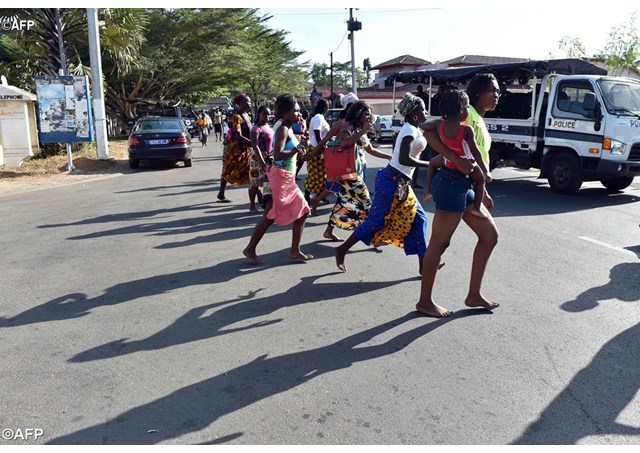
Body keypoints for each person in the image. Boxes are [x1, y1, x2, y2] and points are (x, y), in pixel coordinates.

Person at [416, 73, 501, 318]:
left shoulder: (477, 118)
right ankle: (425, 301)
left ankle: (474, 295)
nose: (496, 95)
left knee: (489, 236)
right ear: (475, 94)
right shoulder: (468, 115)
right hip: (454, 182)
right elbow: (429, 130)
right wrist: (454, 160)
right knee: (439, 243)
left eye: (498, 91)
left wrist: (481, 190)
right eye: (491, 90)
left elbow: (476, 156)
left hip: (467, 185)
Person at [333, 93, 431, 273]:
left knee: (420, 219)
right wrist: (431, 164)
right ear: (414, 114)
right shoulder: (409, 130)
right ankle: (341, 249)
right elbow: (404, 158)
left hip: (401, 182)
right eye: (423, 108)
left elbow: (391, 153)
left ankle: (424, 266)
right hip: (392, 180)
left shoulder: (414, 129)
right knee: (375, 221)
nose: (427, 111)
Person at [242, 94, 313, 265]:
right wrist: (297, 149)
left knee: (302, 211)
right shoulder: (282, 129)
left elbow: (296, 155)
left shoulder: (289, 129)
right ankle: (250, 248)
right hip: (279, 178)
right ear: (286, 113)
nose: (299, 114)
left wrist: (305, 150)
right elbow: (278, 154)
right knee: (269, 216)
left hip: (285, 177)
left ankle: (294, 250)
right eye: (295, 111)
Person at [322, 100, 391, 242]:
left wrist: (389, 156)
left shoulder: (360, 130)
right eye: (366, 114)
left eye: (370, 115)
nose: (368, 117)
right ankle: (376, 237)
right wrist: (362, 132)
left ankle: (328, 231)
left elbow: (371, 149)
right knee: (367, 204)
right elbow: (343, 143)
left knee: (343, 203)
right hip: (348, 175)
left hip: (354, 173)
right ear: (358, 114)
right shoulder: (348, 126)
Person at [423, 89, 490, 219]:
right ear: (461, 110)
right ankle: (477, 208)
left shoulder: (439, 124)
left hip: (448, 161)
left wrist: (440, 119)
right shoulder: (466, 129)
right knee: (480, 179)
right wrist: (485, 170)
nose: (468, 110)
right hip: (465, 161)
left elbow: (424, 125)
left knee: (431, 164)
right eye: (467, 107)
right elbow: (475, 152)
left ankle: (429, 191)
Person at [217, 94, 259, 210]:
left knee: (249, 170)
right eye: (246, 101)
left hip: (245, 147)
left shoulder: (247, 115)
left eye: (249, 101)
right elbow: (238, 135)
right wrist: (252, 143)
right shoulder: (237, 116)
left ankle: (259, 195)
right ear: (240, 103)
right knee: (229, 169)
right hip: (235, 148)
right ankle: (221, 193)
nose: (249, 104)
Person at [303, 99, 331, 207]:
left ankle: (321, 196)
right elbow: (317, 134)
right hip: (316, 149)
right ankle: (306, 196)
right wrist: (322, 149)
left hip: (318, 148)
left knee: (321, 175)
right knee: (314, 175)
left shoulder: (320, 117)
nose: (328, 107)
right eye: (327, 105)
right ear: (324, 107)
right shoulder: (318, 117)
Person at [249, 106, 274, 212]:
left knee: (268, 183)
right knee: (255, 184)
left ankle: (267, 204)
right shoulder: (256, 129)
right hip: (257, 159)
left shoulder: (269, 127)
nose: (267, 116)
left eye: (268, 114)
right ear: (259, 115)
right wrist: (262, 162)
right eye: (265, 114)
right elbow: (255, 146)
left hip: (270, 158)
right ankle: (252, 205)